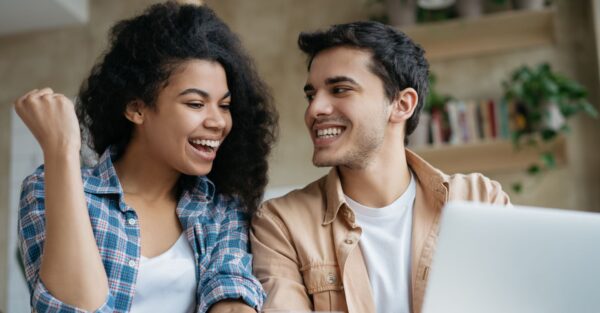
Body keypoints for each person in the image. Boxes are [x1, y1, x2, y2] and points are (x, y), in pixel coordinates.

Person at [15, 2, 277, 313]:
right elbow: (73, 308)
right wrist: (61, 149)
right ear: (136, 108)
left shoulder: (221, 209)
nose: (218, 121)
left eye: (224, 105)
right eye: (196, 103)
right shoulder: (47, 189)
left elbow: (234, 299)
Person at [250, 21, 510, 313]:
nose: (314, 110)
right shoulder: (280, 224)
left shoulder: (479, 199)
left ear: (401, 104)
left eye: (339, 89)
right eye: (312, 95)